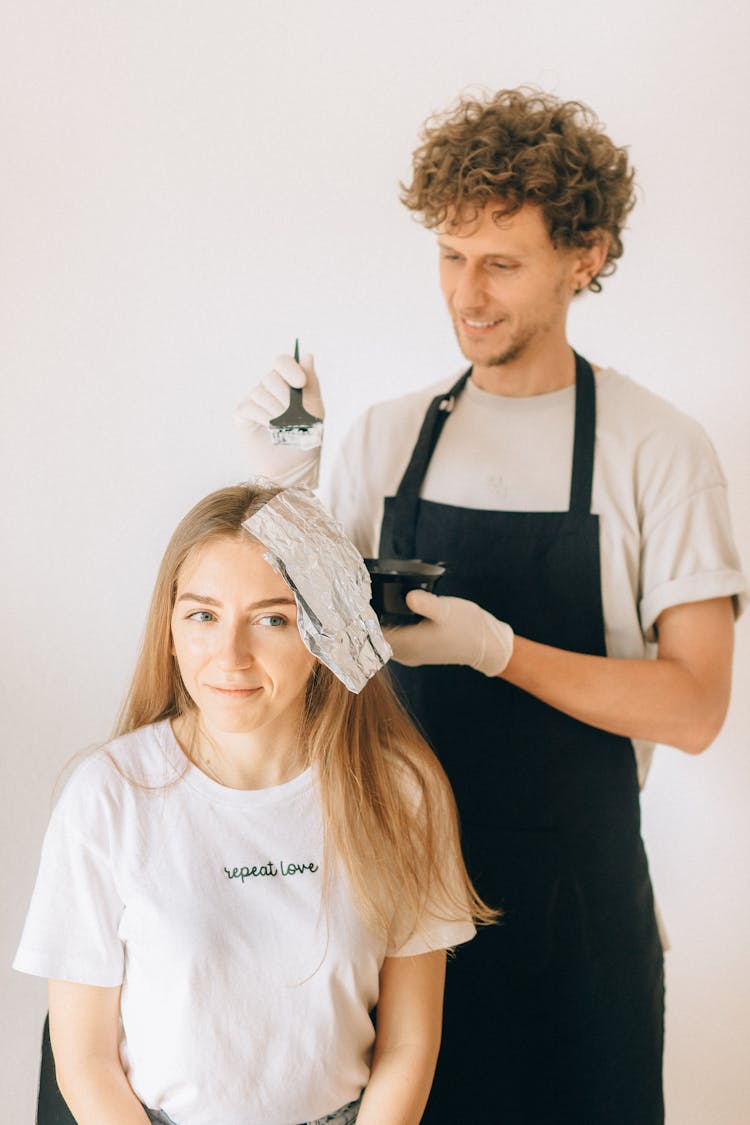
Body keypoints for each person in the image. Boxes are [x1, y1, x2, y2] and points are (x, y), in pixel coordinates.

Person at [235, 88, 746, 1124]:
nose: (467, 295)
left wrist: (500, 651)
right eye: (450, 257)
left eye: (501, 264)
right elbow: (300, 666)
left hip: (581, 919)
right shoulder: (385, 438)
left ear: (584, 255)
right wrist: (287, 494)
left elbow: (695, 709)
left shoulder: (658, 450)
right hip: (396, 908)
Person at [14, 482, 493, 1125]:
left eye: (274, 619)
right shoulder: (106, 796)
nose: (230, 656)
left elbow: (408, 1043)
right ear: (171, 632)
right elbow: (84, 1062)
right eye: (203, 616)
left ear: (324, 637)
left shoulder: (402, 791)